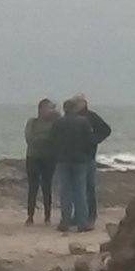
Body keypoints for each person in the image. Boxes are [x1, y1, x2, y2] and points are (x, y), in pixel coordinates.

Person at [51, 98, 95, 232]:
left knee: (65, 192)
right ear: (75, 108)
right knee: (80, 192)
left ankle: (65, 221)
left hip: (63, 160)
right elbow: (90, 140)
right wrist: (87, 155)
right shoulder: (83, 122)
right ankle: (82, 222)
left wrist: (57, 154)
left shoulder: (58, 123)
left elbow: (52, 140)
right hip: (80, 160)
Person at [73, 93, 111, 227]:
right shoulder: (72, 117)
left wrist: (93, 140)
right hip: (74, 157)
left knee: (89, 188)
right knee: (77, 188)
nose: (75, 105)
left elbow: (106, 130)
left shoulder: (91, 116)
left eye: (77, 102)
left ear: (84, 103)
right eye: (74, 102)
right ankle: (77, 215)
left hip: (88, 156)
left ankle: (91, 215)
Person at [24, 99, 60, 225]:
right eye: (49, 108)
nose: (51, 111)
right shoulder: (32, 123)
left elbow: (57, 138)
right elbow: (30, 139)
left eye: (52, 108)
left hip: (49, 158)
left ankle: (47, 216)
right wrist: (46, 139)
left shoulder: (55, 123)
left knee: (47, 187)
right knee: (33, 187)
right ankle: (30, 215)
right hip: (33, 157)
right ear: (41, 109)